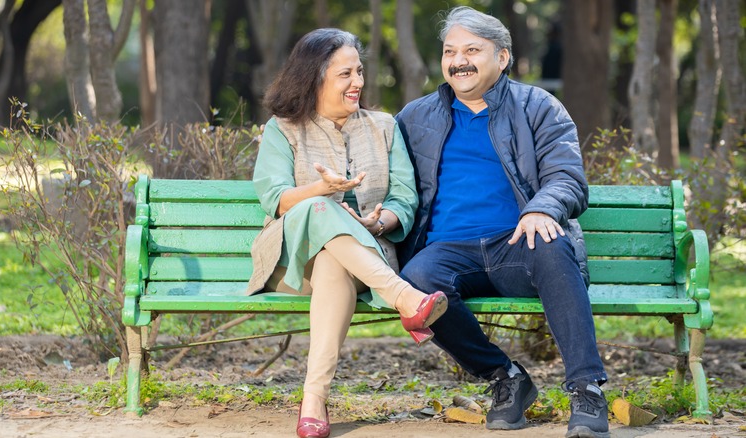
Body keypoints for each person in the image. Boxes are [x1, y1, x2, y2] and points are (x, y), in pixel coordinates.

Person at [395, 7, 609, 438]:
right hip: (449, 252)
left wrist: (540, 208)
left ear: (503, 57)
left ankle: (587, 389)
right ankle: (505, 377)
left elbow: (567, 177)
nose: (459, 61)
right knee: (416, 279)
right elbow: (391, 185)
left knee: (551, 244)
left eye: (473, 50)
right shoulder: (415, 118)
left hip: (519, 243)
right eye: (450, 51)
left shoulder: (538, 106)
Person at [247, 28, 448, 438]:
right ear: (314, 77)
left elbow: (404, 199)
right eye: (345, 75)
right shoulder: (282, 129)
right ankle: (404, 298)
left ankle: (313, 400)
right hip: (290, 265)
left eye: (359, 72)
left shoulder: (384, 127)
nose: (358, 82)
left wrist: (379, 222)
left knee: (333, 266)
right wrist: (320, 191)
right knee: (321, 210)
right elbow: (275, 197)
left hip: (362, 261)